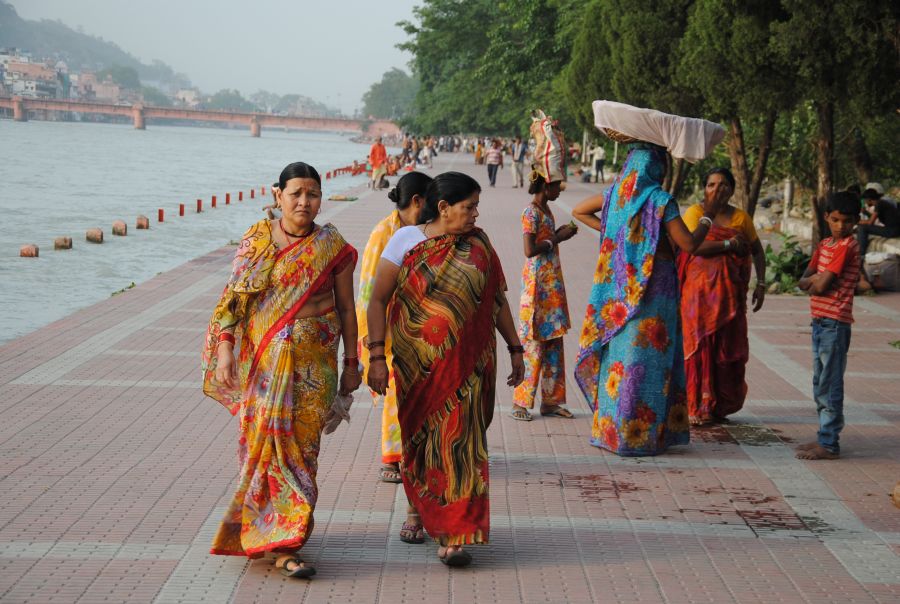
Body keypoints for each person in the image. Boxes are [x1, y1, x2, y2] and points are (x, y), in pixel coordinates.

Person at [201, 161, 361, 577]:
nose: (304, 202)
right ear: (278, 195)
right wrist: (225, 354)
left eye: (312, 194)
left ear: (320, 199)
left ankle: (288, 539)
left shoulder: (333, 246)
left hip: (316, 365)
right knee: (262, 449)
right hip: (264, 364)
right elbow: (232, 305)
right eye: (296, 194)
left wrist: (353, 363)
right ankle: (270, 537)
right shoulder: (257, 241)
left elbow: (347, 307)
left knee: (303, 452)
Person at [366, 172, 525, 567]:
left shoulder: (480, 244)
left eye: (476, 207)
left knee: (463, 447)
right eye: (468, 206)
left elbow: (498, 300)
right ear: (443, 207)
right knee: (420, 442)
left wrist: (516, 347)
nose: (474, 214)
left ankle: (455, 534)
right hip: (418, 368)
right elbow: (377, 299)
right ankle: (417, 511)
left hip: (469, 368)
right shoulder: (406, 241)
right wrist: (374, 356)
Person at [572, 100, 726, 457]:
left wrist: (617, 238)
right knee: (650, 362)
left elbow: (580, 211)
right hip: (655, 293)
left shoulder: (615, 196)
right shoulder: (659, 200)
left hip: (619, 297)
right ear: (657, 165)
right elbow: (687, 244)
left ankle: (611, 432)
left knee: (621, 360)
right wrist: (707, 215)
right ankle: (641, 436)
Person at [355, 172, 432, 487]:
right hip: (386, 329)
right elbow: (370, 290)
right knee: (395, 391)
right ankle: (392, 456)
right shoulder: (383, 233)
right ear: (417, 201)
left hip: (416, 325)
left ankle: (416, 450)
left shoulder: (417, 230)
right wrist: (372, 340)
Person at [678, 168, 766, 426]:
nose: (717, 189)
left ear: (732, 189)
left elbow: (757, 251)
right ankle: (697, 406)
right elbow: (694, 246)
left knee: (725, 351)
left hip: (730, 297)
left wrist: (760, 283)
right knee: (699, 348)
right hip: (698, 297)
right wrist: (728, 245)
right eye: (712, 184)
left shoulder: (741, 218)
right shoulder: (696, 213)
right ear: (704, 188)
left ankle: (717, 407)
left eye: (724, 184)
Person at [796, 192, 861, 460]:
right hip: (820, 321)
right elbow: (804, 280)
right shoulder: (825, 245)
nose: (840, 226)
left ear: (855, 221)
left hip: (835, 322)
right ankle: (824, 435)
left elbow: (819, 285)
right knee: (819, 381)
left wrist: (818, 281)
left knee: (830, 383)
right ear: (827, 218)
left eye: (846, 221)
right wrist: (817, 280)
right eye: (835, 220)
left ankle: (830, 442)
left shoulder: (848, 246)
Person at [510, 172, 577, 420]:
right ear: (546, 186)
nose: (560, 191)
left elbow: (545, 241)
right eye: (557, 186)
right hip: (537, 286)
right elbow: (529, 250)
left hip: (551, 286)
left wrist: (557, 235)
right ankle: (520, 402)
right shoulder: (531, 212)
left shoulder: (546, 210)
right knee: (533, 342)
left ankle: (552, 400)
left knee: (554, 341)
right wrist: (556, 238)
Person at [857, 182, 900, 291]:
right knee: (863, 226)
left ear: (869, 199)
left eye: (866, 201)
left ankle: (861, 253)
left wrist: (857, 221)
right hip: (893, 229)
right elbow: (874, 218)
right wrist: (865, 212)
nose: (866, 203)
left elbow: (870, 223)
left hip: (892, 231)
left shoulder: (880, 204)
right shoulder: (881, 203)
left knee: (863, 228)